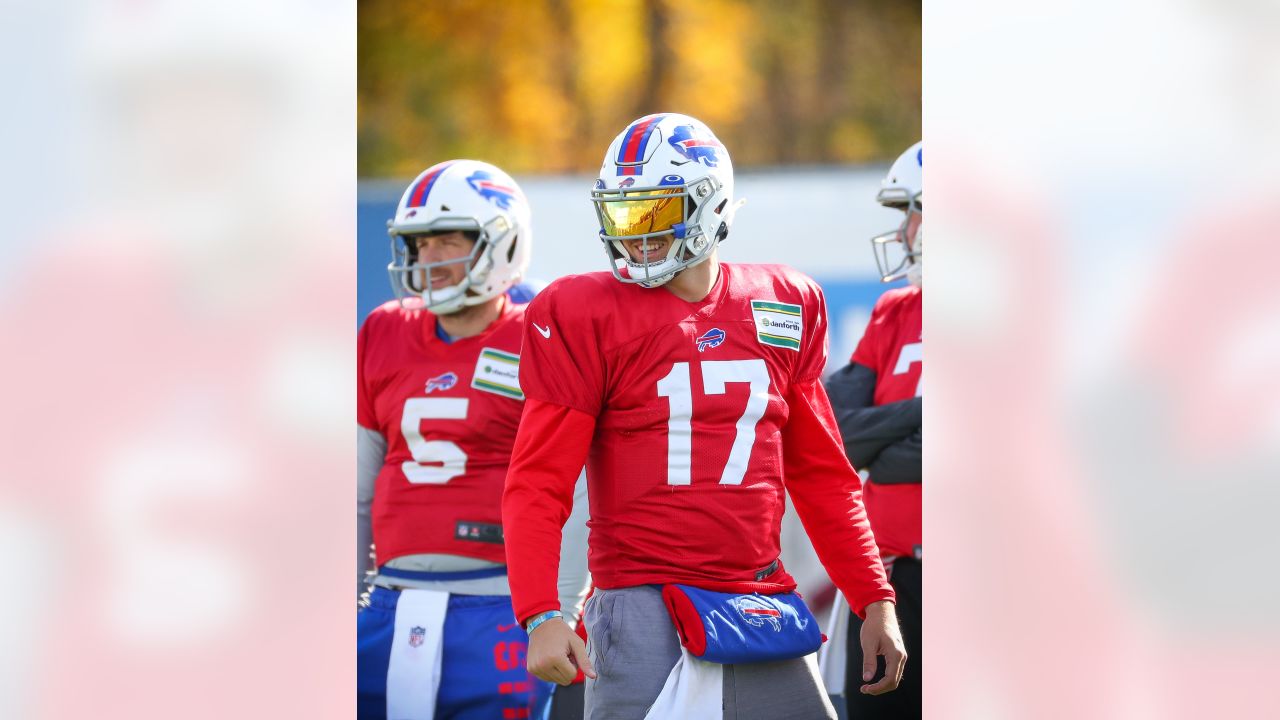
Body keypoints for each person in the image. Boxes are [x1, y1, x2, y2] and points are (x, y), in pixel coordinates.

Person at [502, 113, 906, 720]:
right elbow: (538, 482)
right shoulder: (583, 311)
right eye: (622, 214)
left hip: (759, 596)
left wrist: (873, 597)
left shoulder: (783, 302)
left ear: (708, 206)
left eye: (654, 213)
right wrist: (540, 613)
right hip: (640, 599)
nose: (635, 235)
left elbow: (823, 475)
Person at [357, 159, 588, 720]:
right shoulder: (384, 328)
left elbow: (576, 492)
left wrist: (555, 611)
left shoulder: (544, 333)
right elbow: (356, 492)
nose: (428, 259)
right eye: (418, 243)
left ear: (502, 243)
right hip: (386, 597)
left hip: (499, 602)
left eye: (446, 241)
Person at [820, 141, 923, 718]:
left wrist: (884, 446)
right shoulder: (893, 312)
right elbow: (836, 435)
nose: (904, 230)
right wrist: (920, 414)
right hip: (885, 581)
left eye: (912, 211)